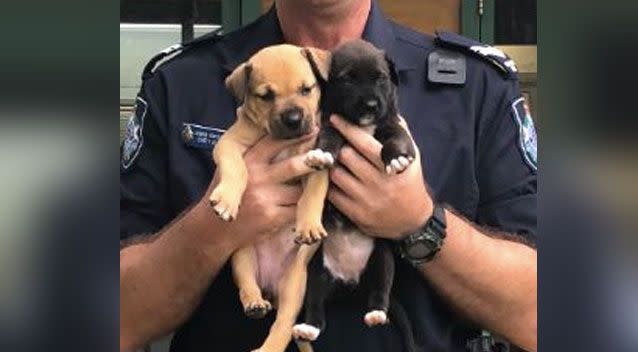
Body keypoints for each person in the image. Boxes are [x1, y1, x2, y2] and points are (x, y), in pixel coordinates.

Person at [120, 1, 537, 351]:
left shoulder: (475, 88)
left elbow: (542, 314)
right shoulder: (180, 84)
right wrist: (216, 229)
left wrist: (419, 223)